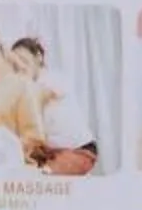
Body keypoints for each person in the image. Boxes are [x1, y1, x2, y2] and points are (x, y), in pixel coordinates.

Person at [6, 36, 99, 175]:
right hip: (51, 153)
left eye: (23, 60)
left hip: (80, 152)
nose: (20, 67)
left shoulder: (54, 80)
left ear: (38, 57)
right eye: (15, 65)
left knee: (43, 175)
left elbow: (41, 95)